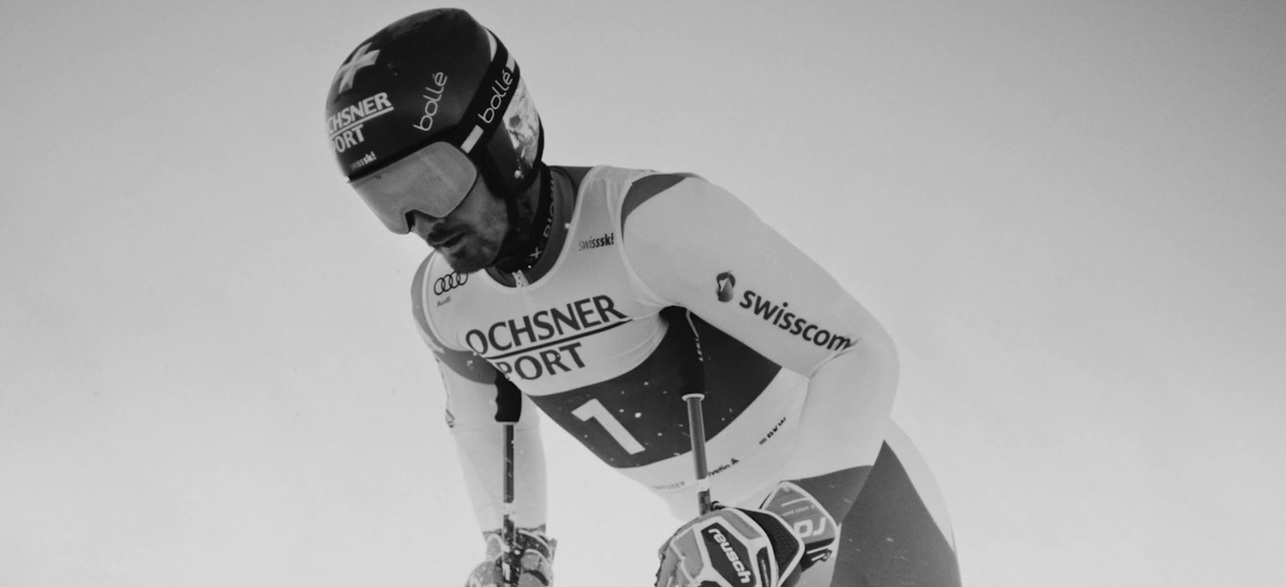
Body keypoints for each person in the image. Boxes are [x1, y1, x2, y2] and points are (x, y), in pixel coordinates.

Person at [325, 9, 961, 587]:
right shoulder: (445, 305)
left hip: (851, 494)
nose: (420, 222)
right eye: (385, 197)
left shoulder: (652, 225)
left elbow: (858, 351)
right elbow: (490, 424)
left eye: (431, 182)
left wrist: (785, 525)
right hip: (715, 543)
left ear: (501, 142)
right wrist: (518, 553)